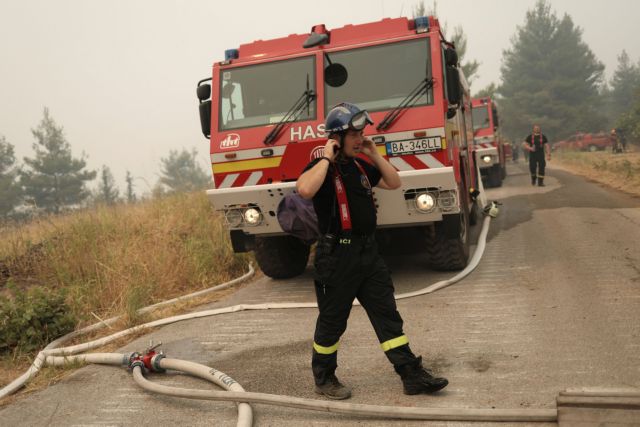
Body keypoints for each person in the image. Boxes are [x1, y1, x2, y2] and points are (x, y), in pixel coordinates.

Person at [296, 102, 448, 400]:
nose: (360, 138)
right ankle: (324, 378)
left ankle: (410, 375)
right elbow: (304, 190)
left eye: (361, 133)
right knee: (332, 323)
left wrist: (374, 154)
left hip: (368, 254)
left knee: (387, 315)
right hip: (336, 258)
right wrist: (327, 158)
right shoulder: (320, 168)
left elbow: (394, 182)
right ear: (337, 137)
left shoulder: (360, 165)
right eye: (354, 134)